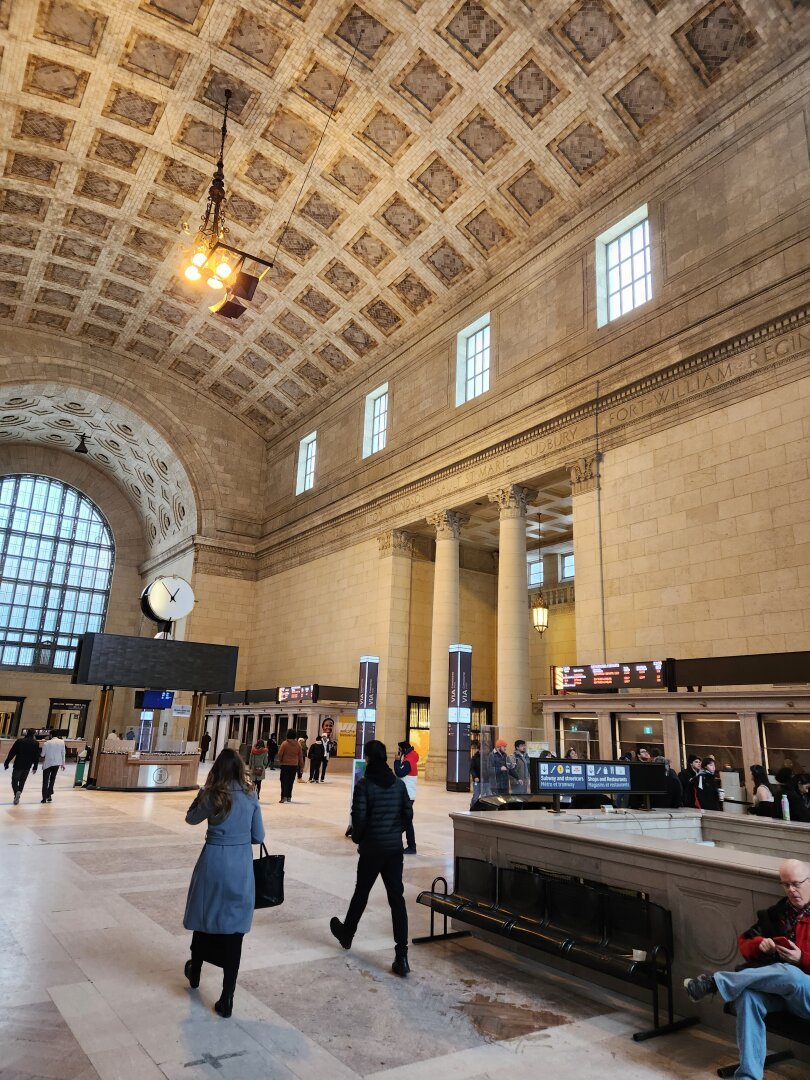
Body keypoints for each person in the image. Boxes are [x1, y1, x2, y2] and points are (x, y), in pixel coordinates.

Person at [684, 859, 810, 1080]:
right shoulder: (779, 913)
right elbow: (746, 942)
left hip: (806, 994)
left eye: (796, 884)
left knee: (793, 975)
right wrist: (761, 945)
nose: (791, 890)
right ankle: (748, 1077)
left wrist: (802, 959)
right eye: (785, 884)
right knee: (748, 996)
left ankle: (715, 982)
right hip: (782, 994)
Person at [183, 748, 264, 1018]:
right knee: (234, 927)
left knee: (204, 916)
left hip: (213, 861)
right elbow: (258, 836)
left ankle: (195, 971)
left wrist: (202, 792)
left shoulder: (212, 794)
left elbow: (191, 818)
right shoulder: (251, 796)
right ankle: (227, 995)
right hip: (240, 864)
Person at [329, 740, 412, 976]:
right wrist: (395, 832)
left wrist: (360, 839)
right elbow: (408, 813)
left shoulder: (365, 785)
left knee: (361, 893)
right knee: (397, 899)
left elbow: (359, 817)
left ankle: (347, 934)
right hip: (394, 850)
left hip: (372, 850)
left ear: (368, 758)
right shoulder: (398, 784)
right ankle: (402, 955)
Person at [393, 740, 419, 854]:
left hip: (407, 796)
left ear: (403, 750)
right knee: (407, 821)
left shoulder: (409, 761)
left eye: (399, 749)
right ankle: (411, 846)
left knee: (404, 821)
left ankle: (392, 838)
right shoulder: (410, 758)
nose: (398, 752)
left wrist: (396, 761)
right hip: (407, 795)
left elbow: (399, 772)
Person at [4, 729, 40, 805]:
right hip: (27, 765)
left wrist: (7, 762)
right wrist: (35, 766)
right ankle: (18, 794)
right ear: (34, 734)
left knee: (14, 780)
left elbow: (12, 752)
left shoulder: (20, 741)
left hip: (18, 764)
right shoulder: (36, 743)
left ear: (26, 733)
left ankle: (16, 793)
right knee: (22, 781)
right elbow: (36, 756)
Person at [277, 731, 303, 803]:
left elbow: (280, 753)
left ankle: (283, 797)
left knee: (284, 781)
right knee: (290, 781)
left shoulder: (284, 743)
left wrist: (281, 760)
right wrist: (301, 766)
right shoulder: (298, 745)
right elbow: (300, 756)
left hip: (285, 765)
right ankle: (289, 797)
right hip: (294, 765)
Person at [40, 731, 65, 803]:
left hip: (48, 763)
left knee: (45, 781)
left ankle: (44, 798)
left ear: (51, 735)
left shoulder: (46, 743)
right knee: (52, 779)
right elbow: (63, 753)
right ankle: (49, 795)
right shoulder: (62, 742)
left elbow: (42, 755)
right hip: (57, 763)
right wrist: (63, 764)